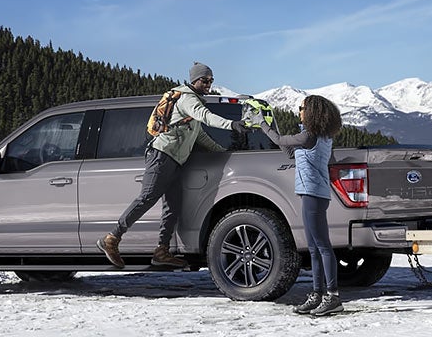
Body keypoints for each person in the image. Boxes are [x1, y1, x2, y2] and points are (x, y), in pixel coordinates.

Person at [98, 62, 248, 268]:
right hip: (161, 155)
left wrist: (225, 153)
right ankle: (112, 238)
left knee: (173, 206)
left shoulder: (192, 103)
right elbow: (205, 116)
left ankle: (162, 251)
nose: (208, 84)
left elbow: (201, 136)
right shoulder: (188, 99)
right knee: (147, 198)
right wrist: (231, 124)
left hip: (176, 161)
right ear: (195, 80)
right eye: (205, 80)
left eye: (211, 80)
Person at [250, 94, 344, 316]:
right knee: (314, 247)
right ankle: (317, 294)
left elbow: (279, 140)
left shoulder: (308, 135)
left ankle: (332, 296)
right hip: (315, 193)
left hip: (312, 193)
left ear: (311, 112)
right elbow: (290, 152)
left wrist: (261, 124)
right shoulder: (319, 137)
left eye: (301, 108)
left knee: (322, 246)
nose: (299, 111)